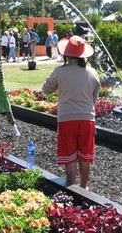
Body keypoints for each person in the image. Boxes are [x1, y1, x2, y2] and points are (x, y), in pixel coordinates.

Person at [42, 35, 100, 189]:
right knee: (85, 156)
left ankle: (72, 187)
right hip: (88, 118)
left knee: (69, 155)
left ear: (66, 54)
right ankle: (83, 187)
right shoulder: (92, 72)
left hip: (67, 118)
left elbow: (46, 90)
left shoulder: (59, 71)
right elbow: (95, 95)